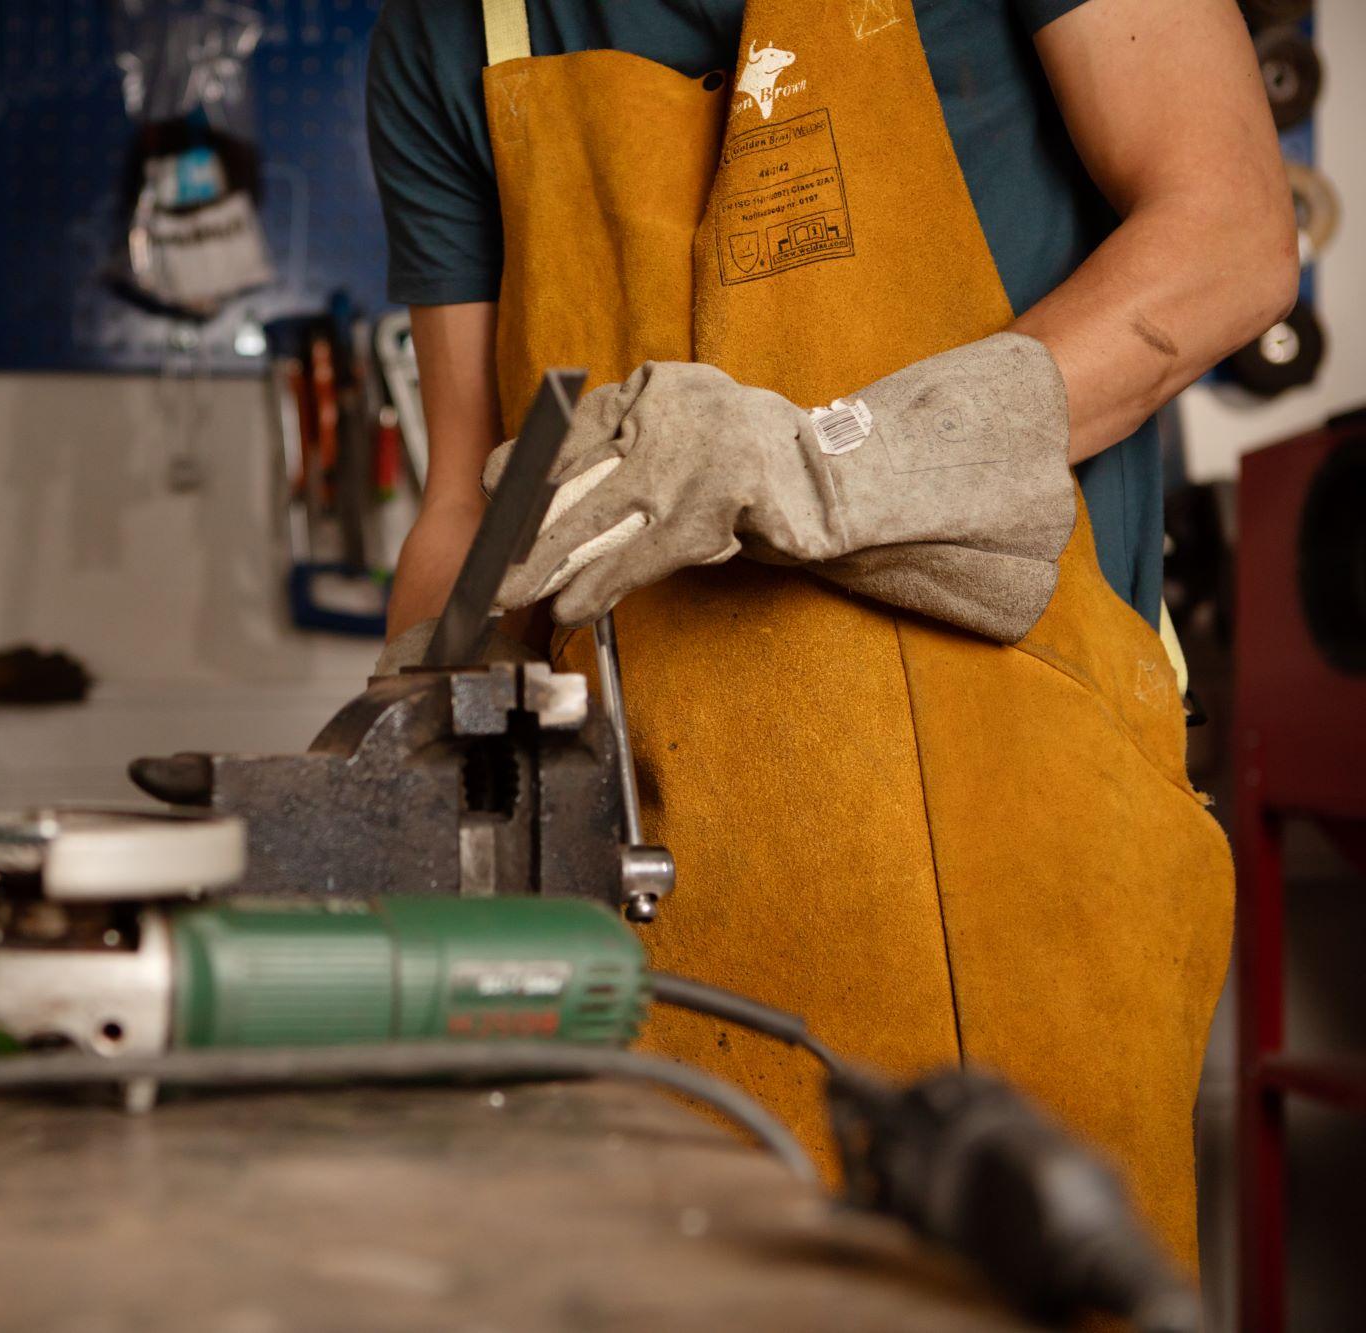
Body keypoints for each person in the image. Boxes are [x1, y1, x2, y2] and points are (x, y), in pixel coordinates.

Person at [367, 0, 1295, 1273]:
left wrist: (814, 465)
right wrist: (389, 778)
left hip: (1022, 837)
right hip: (635, 889)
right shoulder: (448, 30)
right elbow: (469, 495)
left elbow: (1228, 237)